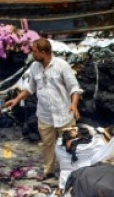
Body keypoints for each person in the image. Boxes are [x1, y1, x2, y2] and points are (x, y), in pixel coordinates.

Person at [5, 38, 83, 180]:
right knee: (48, 145)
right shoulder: (35, 67)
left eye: (34, 51)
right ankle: (49, 171)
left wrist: (74, 104)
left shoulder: (62, 66)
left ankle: (72, 172)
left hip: (64, 114)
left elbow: (74, 88)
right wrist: (16, 100)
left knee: (70, 144)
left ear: (43, 52)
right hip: (45, 115)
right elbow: (30, 88)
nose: (32, 54)